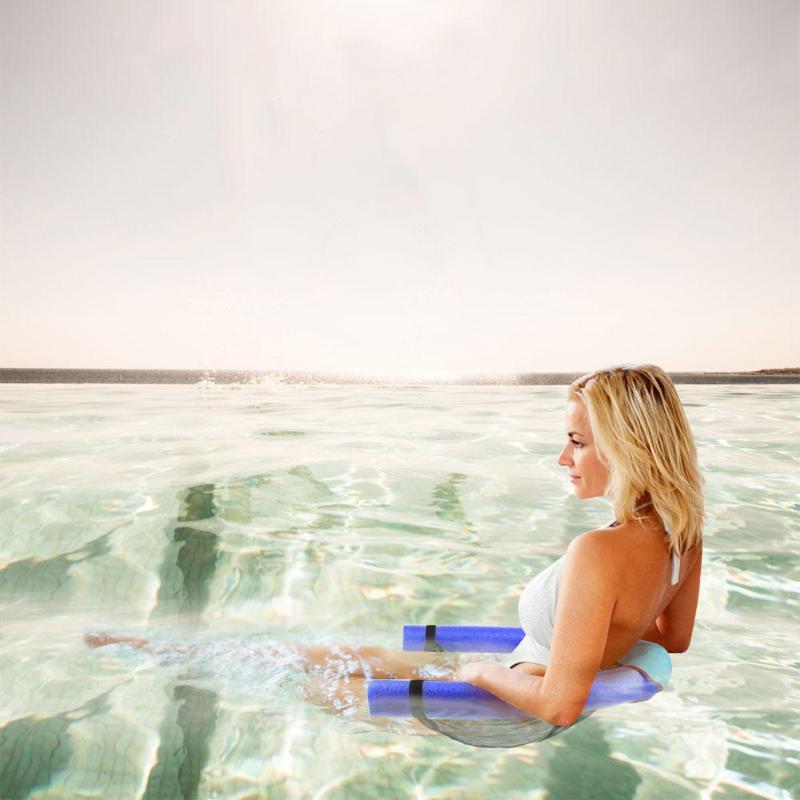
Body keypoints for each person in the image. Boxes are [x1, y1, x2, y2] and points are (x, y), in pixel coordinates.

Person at [87, 364, 704, 748]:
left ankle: (168, 662)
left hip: (499, 707)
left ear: (626, 446)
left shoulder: (597, 550)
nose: (561, 458)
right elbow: (670, 640)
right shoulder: (683, 532)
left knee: (301, 681)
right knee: (329, 655)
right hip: (514, 682)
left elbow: (560, 706)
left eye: (575, 441)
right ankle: (165, 652)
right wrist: (589, 645)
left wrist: (485, 673)